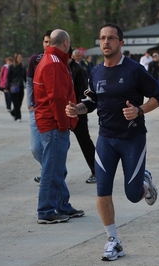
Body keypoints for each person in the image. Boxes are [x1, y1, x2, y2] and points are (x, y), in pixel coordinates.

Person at [65, 22, 159, 261]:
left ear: (121, 42)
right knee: (102, 190)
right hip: (106, 139)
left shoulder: (134, 70)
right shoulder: (96, 72)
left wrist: (139, 110)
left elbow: (158, 96)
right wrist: (77, 109)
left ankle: (144, 180)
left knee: (132, 195)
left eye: (111, 38)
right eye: (102, 38)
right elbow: (91, 100)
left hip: (132, 139)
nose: (106, 42)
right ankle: (113, 240)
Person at [33, 29, 84, 224]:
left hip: (51, 121)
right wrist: (64, 123)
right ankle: (46, 211)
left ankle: (62, 205)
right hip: (54, 123)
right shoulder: (54, 63)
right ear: (65, 43)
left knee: (57, 167)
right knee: (52, 168)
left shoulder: (50, 60)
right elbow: (57, 97)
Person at [26, 30, 52, 183]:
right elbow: (29, 82)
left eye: (51, 41)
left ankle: (49, 174)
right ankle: (52, 169)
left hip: (52, 109)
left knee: (51, 145)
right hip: (36, 109)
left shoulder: (59, 60)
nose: (48, 44)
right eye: (46, 41)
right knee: (36, 148)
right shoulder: (35, 60)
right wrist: (29, 104)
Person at [68, 48, 97, 184]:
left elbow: (84, 92)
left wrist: (78, 109)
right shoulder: (57, 68)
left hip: (77, 111)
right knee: (54, 144)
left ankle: (97, 171)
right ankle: (48, 172)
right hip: (63, 111)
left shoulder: (78, 70)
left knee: (84, 141)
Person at [6, 53, 26, 122]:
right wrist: (7, 87)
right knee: (16, 102)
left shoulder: (23, 67)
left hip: (21, 86)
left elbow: (25, 77)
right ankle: (18, 117)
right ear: (16, 59)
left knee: (20, 101)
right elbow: (8, 78)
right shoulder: (11, 67)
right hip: (14, 86)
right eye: (19, 57)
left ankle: (13, 112)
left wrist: (27, 84)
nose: (21, 59)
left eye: (21, 57)